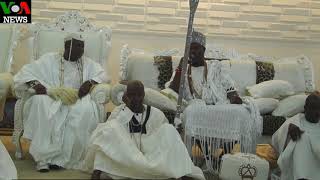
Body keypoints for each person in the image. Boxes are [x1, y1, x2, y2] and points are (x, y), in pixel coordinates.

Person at [13, 33, 109, 172]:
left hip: (76, 98)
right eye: (76, 45)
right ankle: (43, 159)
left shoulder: (87, 63)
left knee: (85, 110)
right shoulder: (50, 59)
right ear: (66, 46)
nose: (80, 49)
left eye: (82, 46)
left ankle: (62, 159)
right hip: (51, 96)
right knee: (39, 102)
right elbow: (25, 72)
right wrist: (35, 83)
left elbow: (103, 75)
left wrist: (90, 82)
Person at [83, 80, 205, 180]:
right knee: (108, 129)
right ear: (125, 96)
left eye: (139, 95)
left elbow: (164, 139)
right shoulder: (120, 112)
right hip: (127, 154)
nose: (136, 98)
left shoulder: (155, 113)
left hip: (151, 152)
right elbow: (107, 137)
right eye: (131, 95)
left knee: (169, 129)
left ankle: (181, 172)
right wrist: (128, 110)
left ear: (144, 95)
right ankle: (98, 170)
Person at [166, 31, 260, 159]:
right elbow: (173, 90)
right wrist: (180, 68)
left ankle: (223, 154)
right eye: (189, 48)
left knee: (242, 113)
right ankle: (207, 156)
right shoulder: (182, 69)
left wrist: (234, 97)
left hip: (219, 103)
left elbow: (228, 85)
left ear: (203, 50)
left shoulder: (215, 66)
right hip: (195, 105)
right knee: (193, 112)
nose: (192, 51)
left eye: (195, 48)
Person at [272, 91, 320, 180]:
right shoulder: (294, 122)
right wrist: (288, 132)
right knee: (301, 138)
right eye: (313, 108)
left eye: (319, 109)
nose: (317, 113)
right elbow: (275, 141)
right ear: (305, 108)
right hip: (296, 173)